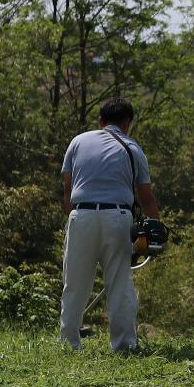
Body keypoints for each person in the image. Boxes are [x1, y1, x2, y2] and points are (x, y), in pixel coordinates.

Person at [59, 98, 162, 353]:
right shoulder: (133, 148)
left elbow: (67, 190)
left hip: (81, 214)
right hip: (118, 216)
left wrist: (77, 219)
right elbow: (146, 198)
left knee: (74, 282)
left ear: (101, 121)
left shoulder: (78, 141)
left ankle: (69, 343)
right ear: (127, 123)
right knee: (118, 283)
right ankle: (124, 345)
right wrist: (156, 231)